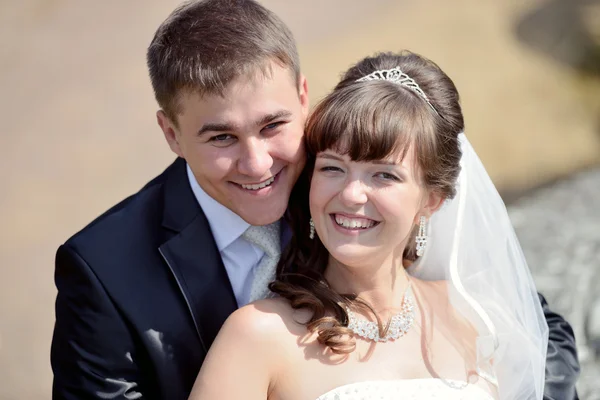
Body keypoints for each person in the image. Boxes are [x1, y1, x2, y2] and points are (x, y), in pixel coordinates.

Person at [49, 1, 578, 399]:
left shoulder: (345, 182)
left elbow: (537, 328)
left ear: (304, 98)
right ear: (170, 132)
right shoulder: (104, 270)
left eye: (274, 125)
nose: (258, 165)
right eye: (221, 138)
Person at [188, 51, 574, 400]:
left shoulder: (476, 316)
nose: (352, 194)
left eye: (384, 176)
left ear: (432, 200)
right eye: (333, 168)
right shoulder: (259, 336)